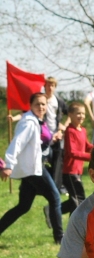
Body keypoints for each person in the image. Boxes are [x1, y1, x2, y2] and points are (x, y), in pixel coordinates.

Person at [0, 92, 63, 243]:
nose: (41, 107)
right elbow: (18, 143)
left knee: (23, 206)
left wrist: (52, 140)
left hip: (33, 167)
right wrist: (8, 165)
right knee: (55, 198)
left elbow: (36, 144)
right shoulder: (29, 122)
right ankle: (60, 238)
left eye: (43, 104)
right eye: (37, 104)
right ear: (30, 106)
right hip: (33, 169)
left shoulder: (38, 121)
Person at [59, 102, 92, 215]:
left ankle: (52, 210)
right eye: (78, 113)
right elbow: (72, 152)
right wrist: (91, 157)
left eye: (83, 113)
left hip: (78, 170)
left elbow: (86, 146)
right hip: (69, 171)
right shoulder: (70, 131)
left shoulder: (82, 130)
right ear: (70, 115)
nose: (81, 116)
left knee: (76, 199)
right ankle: (76, 226)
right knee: (79, 199)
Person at [42, 77, 70, 195]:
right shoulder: (41, 100)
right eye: (48, 85)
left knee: (57, 163)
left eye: (52, 85)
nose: (50, 87)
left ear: (55, 87)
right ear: (45, 86)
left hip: (57, 137)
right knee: (41, 162)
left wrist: (63, 128)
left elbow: (70, 114)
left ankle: (57, 188)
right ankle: (39, 186)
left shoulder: (58, 100)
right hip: (43, 137)